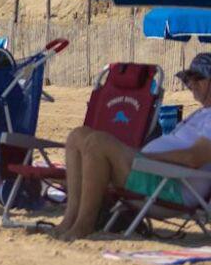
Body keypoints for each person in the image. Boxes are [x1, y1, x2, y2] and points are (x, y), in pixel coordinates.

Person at [52, 52, 211, 243]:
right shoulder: (201, 113)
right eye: (188, 78)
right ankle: (70, 219)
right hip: (155, 175)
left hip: (171, 188)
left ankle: (84, 224)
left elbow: (194, 158)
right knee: (78, 135)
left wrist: (147, 158)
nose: (191, 83)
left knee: (98, 142)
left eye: (198, 78)